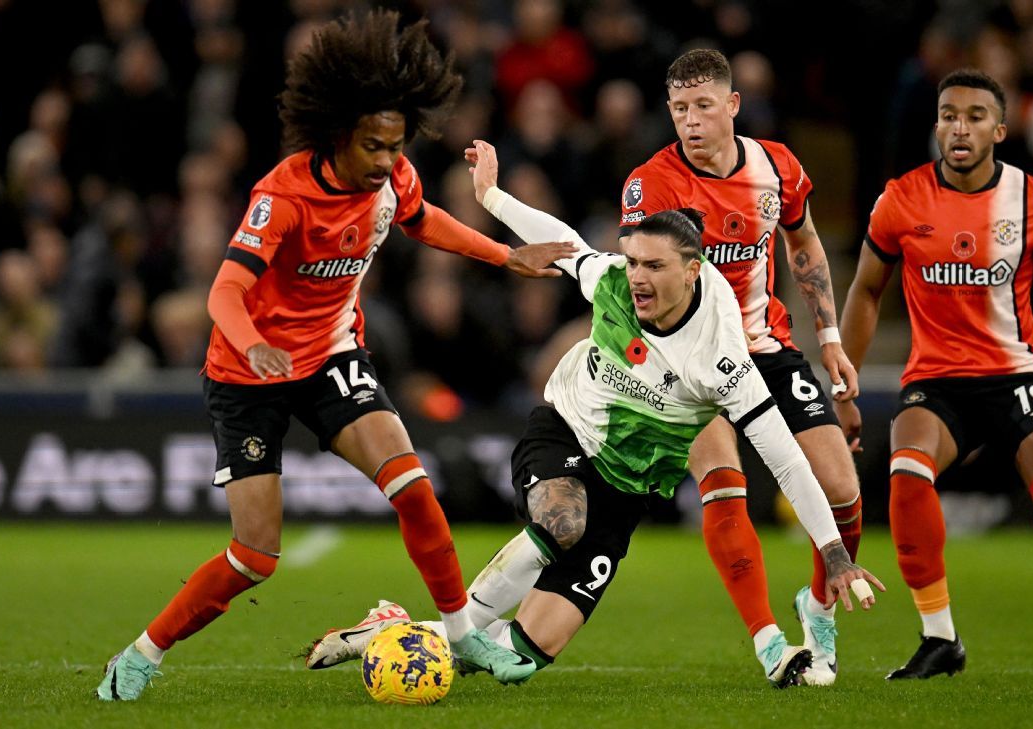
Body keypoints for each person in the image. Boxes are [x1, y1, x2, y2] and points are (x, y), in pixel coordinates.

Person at [95, 11, 573, 702]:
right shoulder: (283, 195)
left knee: (413, 484)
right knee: (255, 555)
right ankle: (142, 653)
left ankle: (462, 630)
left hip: (330, 357)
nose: (386, 161)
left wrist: (506, 254)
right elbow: (225, 290)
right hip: (248, 372)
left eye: (396, 145)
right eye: (373, 146)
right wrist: (254, 342)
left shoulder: (392, 178)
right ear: (338, 134)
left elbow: (421, 217)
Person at [305, 140, 883, 688]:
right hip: (565, 432)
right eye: (633, 262)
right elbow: (562, 243)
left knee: (519, 659)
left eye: (653, 267)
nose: (637, 278)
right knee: (562, 522)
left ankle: (392, 630)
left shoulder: (721, 355)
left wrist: (833, 555)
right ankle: (460, 626)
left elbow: (785, 460)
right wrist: (491, 197)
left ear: (691, 271)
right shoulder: (611, 281)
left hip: (625, 488)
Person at [840, 68, 1033, 682]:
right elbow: (866, 291)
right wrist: (844, 387)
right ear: (936, 126)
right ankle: (939, 639)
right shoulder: (901, 198)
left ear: (999, 130)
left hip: (1015, 374)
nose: (960, 126)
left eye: (976, 116)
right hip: (939, 381)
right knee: (905, 473)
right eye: (949, 114)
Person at [616, 49, 863, 686]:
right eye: (679, 110)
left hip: (766, 346)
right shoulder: (653, 185)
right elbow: (638, 279)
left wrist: (830, 336)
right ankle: (770, 646)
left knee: (842, 490)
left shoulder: (777, 166)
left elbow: (803, 243)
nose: (691, 122)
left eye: (703, 107)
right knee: (724, 482)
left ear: (732, 106)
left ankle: (819, 606)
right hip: (689, 359)